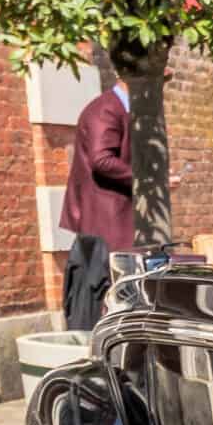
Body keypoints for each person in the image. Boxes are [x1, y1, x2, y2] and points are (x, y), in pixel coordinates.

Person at [59, 71, 135, 332]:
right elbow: (101, 160)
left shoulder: (124, 109)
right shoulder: (105, 109)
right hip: (105, 221)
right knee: (107, 295)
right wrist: (145, 181)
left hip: (115, 220)